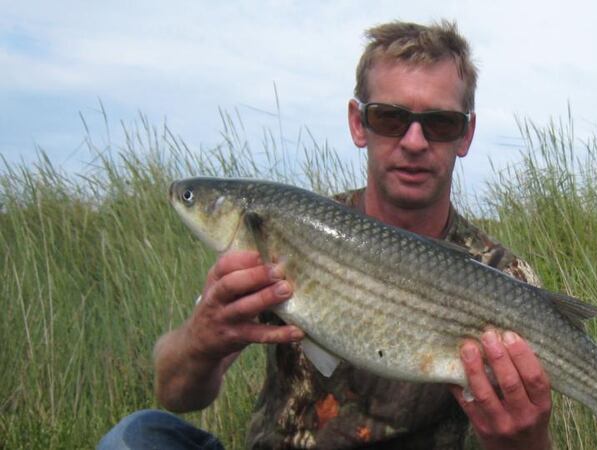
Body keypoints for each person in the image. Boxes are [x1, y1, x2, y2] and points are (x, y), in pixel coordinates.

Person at [99, 20, 552, 450]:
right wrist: (201, 340)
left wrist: (525, 440)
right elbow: (176, 391)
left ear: (465, 135)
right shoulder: (289, 230)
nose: (414, 141)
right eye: (390, 118)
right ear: (359, 123)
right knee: (138, 434)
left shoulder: (501, 275)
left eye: (440, 124)